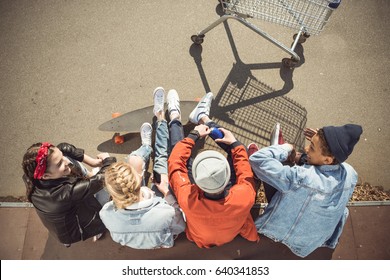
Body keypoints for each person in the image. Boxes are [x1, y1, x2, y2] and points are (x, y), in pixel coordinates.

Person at [249, 124, 363, 258]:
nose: (306, 148)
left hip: (289, 236)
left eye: (312, 148)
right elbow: (321, 168)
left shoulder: (302, 178)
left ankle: (278, 156)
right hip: (316, 238)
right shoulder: (350, 173)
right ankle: (289, 158)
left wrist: (287, 148)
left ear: (327, 159)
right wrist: (323, 143)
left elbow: (257, 159)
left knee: (279, 179)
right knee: (299, 171)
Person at [168, 90, 259, 248]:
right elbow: (244, 171)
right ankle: (201, 118)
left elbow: (175, 163)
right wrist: (235, 144)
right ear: (228, 176)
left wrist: (193, 136)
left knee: (178, 151)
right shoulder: (244, 197)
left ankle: (178, 118)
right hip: (224, 234)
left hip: (200, 238)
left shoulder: (187, 199)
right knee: (238, 149)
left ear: (195, 179)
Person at [99, 87, 186, 249]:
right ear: (140, 177)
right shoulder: (164, 212)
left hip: (142, 205)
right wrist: (166, 193)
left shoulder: (106, 214)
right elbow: (180, 227)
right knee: (161, 159)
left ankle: (146, 145)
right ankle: (160, 118)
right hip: (158, 221)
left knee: (136, 159)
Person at [22, 142, 116, 247]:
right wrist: (108, 160)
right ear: (46, 176)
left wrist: (93, 162)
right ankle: (97, 227)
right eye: (59, 164)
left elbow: (63, 148)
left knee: (68, 158)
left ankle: (88, 178)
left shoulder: (31, 176)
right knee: (107, 188)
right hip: (77, 229)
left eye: (61, 157)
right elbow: (102, 178)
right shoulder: (64, 193)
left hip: (64, 216)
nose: (66, 161)